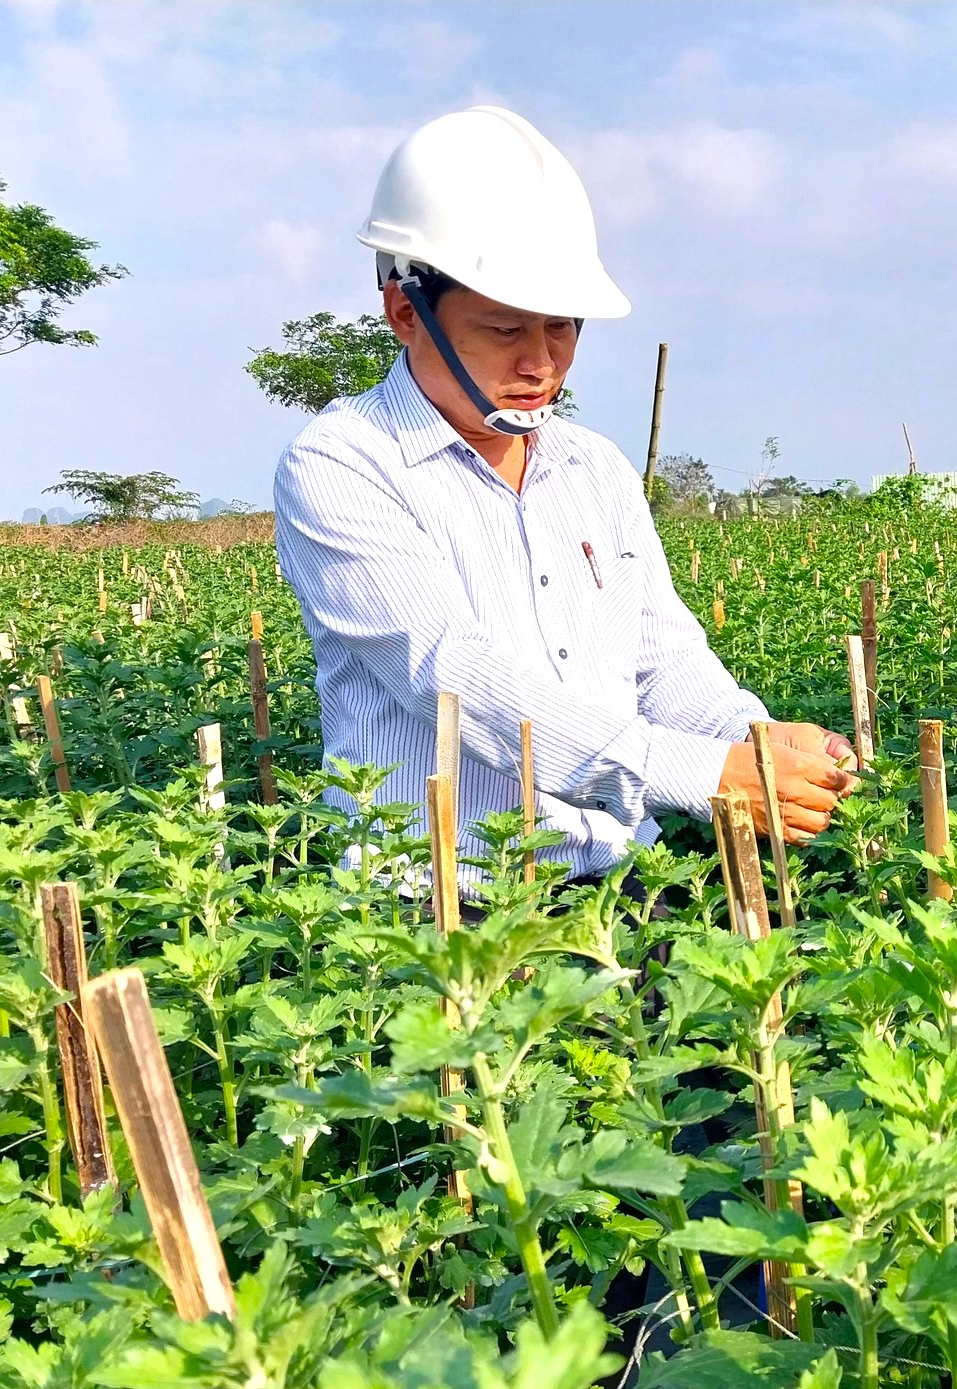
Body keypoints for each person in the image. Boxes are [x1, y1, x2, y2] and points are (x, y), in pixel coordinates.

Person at [274, 106, 854, 879]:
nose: (543, 363)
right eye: (506, 330)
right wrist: (707, 774)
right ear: (405, 311)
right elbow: (456, 679)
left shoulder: (594, 468)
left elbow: (663, 661)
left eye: (563, 328)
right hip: (445, 903)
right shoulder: (344, 463)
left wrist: (757, 741)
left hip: (621, 880)